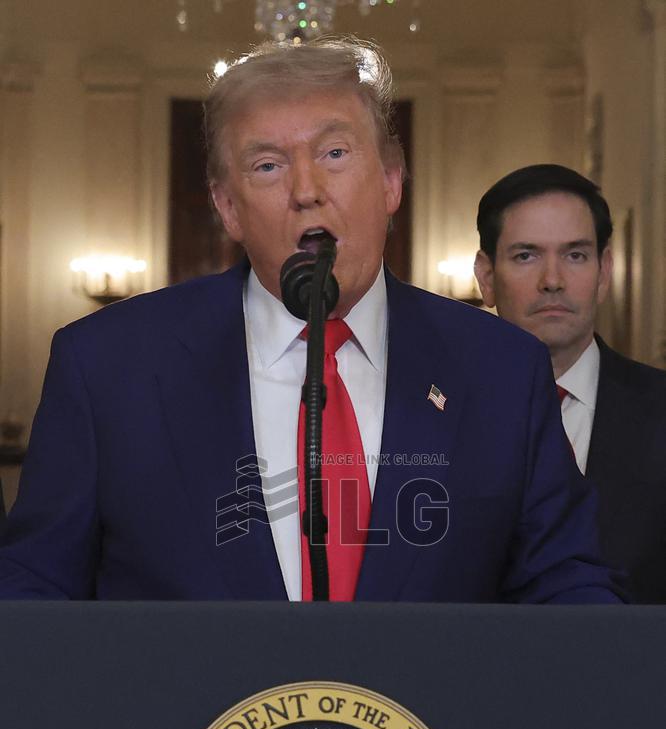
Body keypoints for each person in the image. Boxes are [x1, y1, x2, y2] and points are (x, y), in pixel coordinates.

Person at [0, 40, 620, 602]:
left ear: (391, 182)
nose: (306, 189)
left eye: (335, 153)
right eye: (268, 165)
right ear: (228, 207)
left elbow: (566, 585)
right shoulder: (106, 367)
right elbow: (34, 590)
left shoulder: (501, 368)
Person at [474, 163, 666, 602]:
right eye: (526, 256)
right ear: (487, 277)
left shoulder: (659, 411)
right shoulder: (437, 415)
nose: (553, 281)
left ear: (604, 272)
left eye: (575, 255)